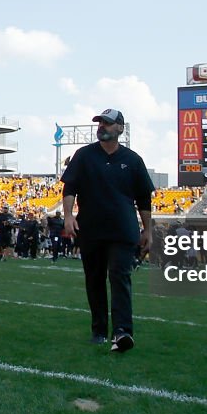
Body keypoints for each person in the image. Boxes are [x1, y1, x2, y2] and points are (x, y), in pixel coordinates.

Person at [62, 108, 154, 353]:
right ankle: (99, 330)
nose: (101, 126)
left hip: (123, 229)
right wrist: (69, 216)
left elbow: (144, 199)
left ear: (120, 129)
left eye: (107, 123)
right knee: (94, 280)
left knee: (119, 277)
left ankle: (122, 331)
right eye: (100, 122)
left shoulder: (133, 160)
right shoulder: (83, 155)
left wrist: (148, 231)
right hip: (90, 228)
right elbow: (69, 187)